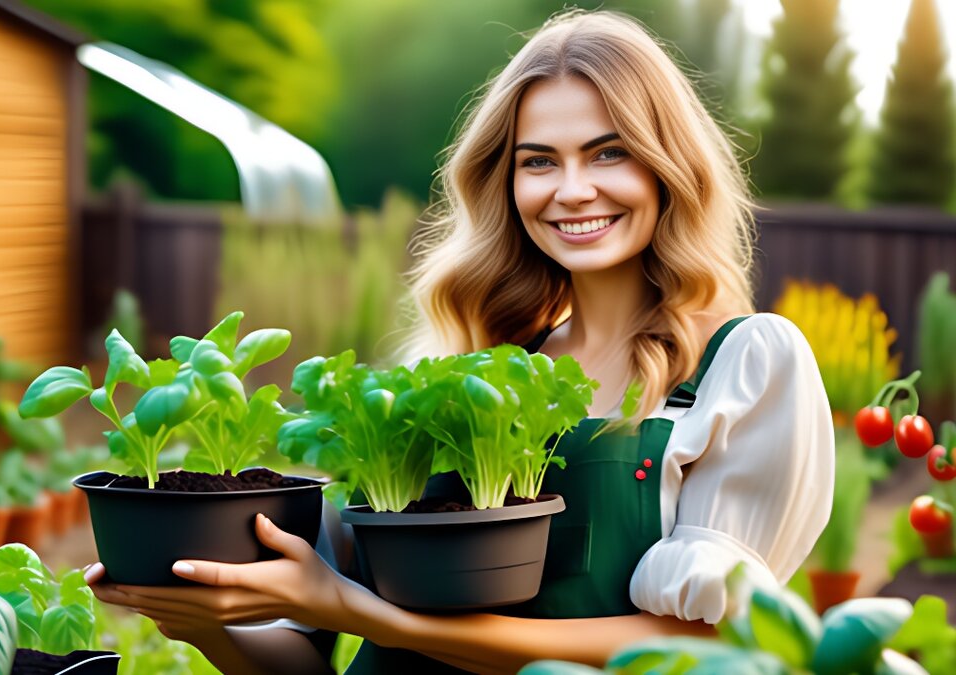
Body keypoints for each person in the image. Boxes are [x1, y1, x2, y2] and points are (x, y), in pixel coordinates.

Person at [84, 9, 834, 673]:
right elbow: (300, 658)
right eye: (538, 161)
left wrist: (365, 614)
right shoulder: (464, 370)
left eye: (609, 152)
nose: (571, 189)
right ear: (503, 183)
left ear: (669, 165)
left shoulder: (742, 365)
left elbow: (702, 645)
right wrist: (206, 617)